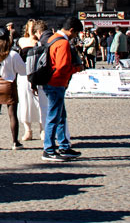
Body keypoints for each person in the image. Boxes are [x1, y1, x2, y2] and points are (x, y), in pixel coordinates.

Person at [40, 16, 82, 162]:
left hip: (51, 82)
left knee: (60, 116)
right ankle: (49, 149)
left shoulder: (53, 38)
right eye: (75, 34)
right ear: (71, 30)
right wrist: (77, 68)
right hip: (56, 83)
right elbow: (63, 66)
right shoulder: (63, 43)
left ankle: (64, 146)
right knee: (53, 116)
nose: (75, 37)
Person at [0, 28, 25, 150]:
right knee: (12, 115)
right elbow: (23, 70)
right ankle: (15, 142)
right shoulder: (13, 54)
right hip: (9, 84)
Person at [16, 20, 43, 141]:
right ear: (26, 29)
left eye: (34, 28)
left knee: (40, 101)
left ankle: (42, 129)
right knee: (25, 101)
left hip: (38, 73)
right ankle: (28, 130)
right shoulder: (21, 41)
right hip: (24, 75)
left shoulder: (41, 41)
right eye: (30, 28)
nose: (31, 30)